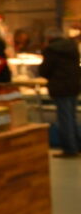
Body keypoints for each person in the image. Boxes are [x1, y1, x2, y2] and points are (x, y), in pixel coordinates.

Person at [39, 28, 81, 158]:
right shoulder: (72, 47)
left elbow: (44, 70)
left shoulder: (51, 50)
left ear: (49, 38)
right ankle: (77, 145)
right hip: (74, 86)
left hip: (60, 87)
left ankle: (69, 149)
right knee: (72, 118)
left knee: (64, 119)